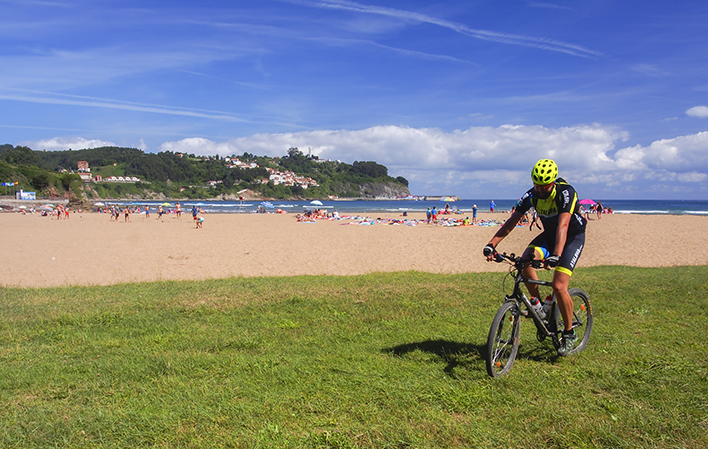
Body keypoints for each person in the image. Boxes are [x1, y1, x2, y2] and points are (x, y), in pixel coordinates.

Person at [483, 159, 586, 357]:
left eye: (544, 186)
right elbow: (512, 221)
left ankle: (569, 333)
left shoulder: (566, 193)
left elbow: (563, 225)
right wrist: (492, 244)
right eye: (536, 185)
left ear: (553, 182)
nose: (540, 189)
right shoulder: (531, 195)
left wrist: (556, 255)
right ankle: (538, 306)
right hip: (550, 236)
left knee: (559, 286)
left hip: (572, 237)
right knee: (525, 260)